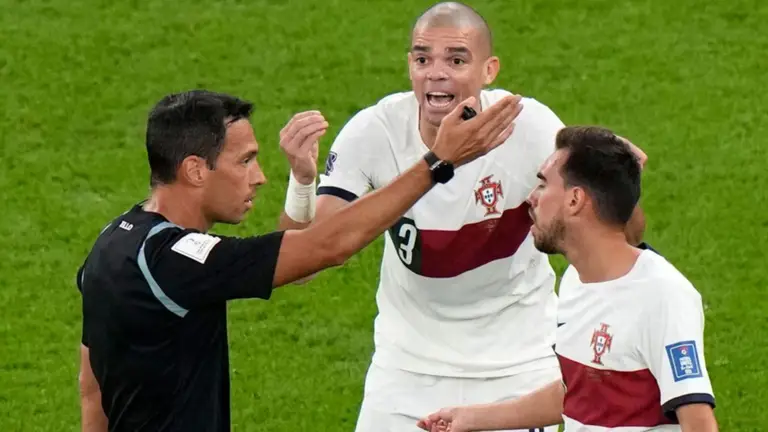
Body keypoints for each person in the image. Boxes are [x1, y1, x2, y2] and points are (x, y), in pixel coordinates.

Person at [283, 2, 647, 431]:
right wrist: (302, 183)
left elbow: (621, 238)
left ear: (489, 70)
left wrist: (619, 181)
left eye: (456, 60)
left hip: (518, 369)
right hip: (406, 372)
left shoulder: (528, 128)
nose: (435, 73)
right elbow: (305, 264)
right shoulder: (375, 133)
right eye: (423, 59)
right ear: (409, 65)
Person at [75, 88, 522, 432]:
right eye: (245, 161)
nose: (258, 177)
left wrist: (304, 182)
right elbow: (327, 246)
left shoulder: (114, 240)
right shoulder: (177, 265)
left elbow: (91, 385)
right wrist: (438, 162)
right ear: (195, 169)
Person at [417, 126, 718, 432]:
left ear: (575, 200)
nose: (531, 198)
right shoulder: (577, 279)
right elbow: (579, 394)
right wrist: (473, 419)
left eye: (543, 185)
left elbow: (699, 423)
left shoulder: (662, 296)